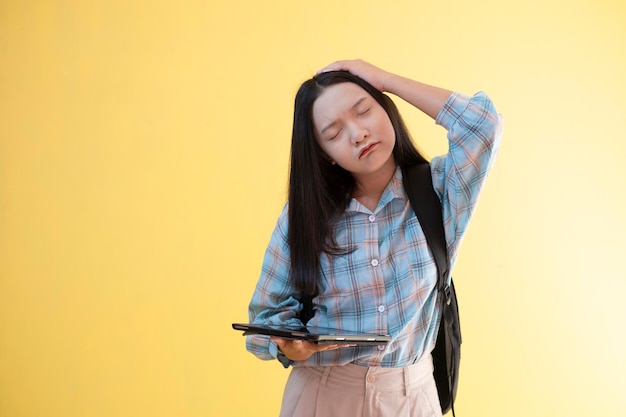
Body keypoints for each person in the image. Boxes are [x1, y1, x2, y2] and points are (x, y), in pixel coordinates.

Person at [245, 59, 503, 417]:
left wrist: (387, 79)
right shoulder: (303, 217)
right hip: (323, 396)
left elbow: (482, 125)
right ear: (325, 155)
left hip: (412, 397)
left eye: (364, 110)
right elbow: (263, 323)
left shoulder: (439, 192)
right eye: (334, 134)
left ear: (385, 106)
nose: (358, 134)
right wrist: (291, 347)